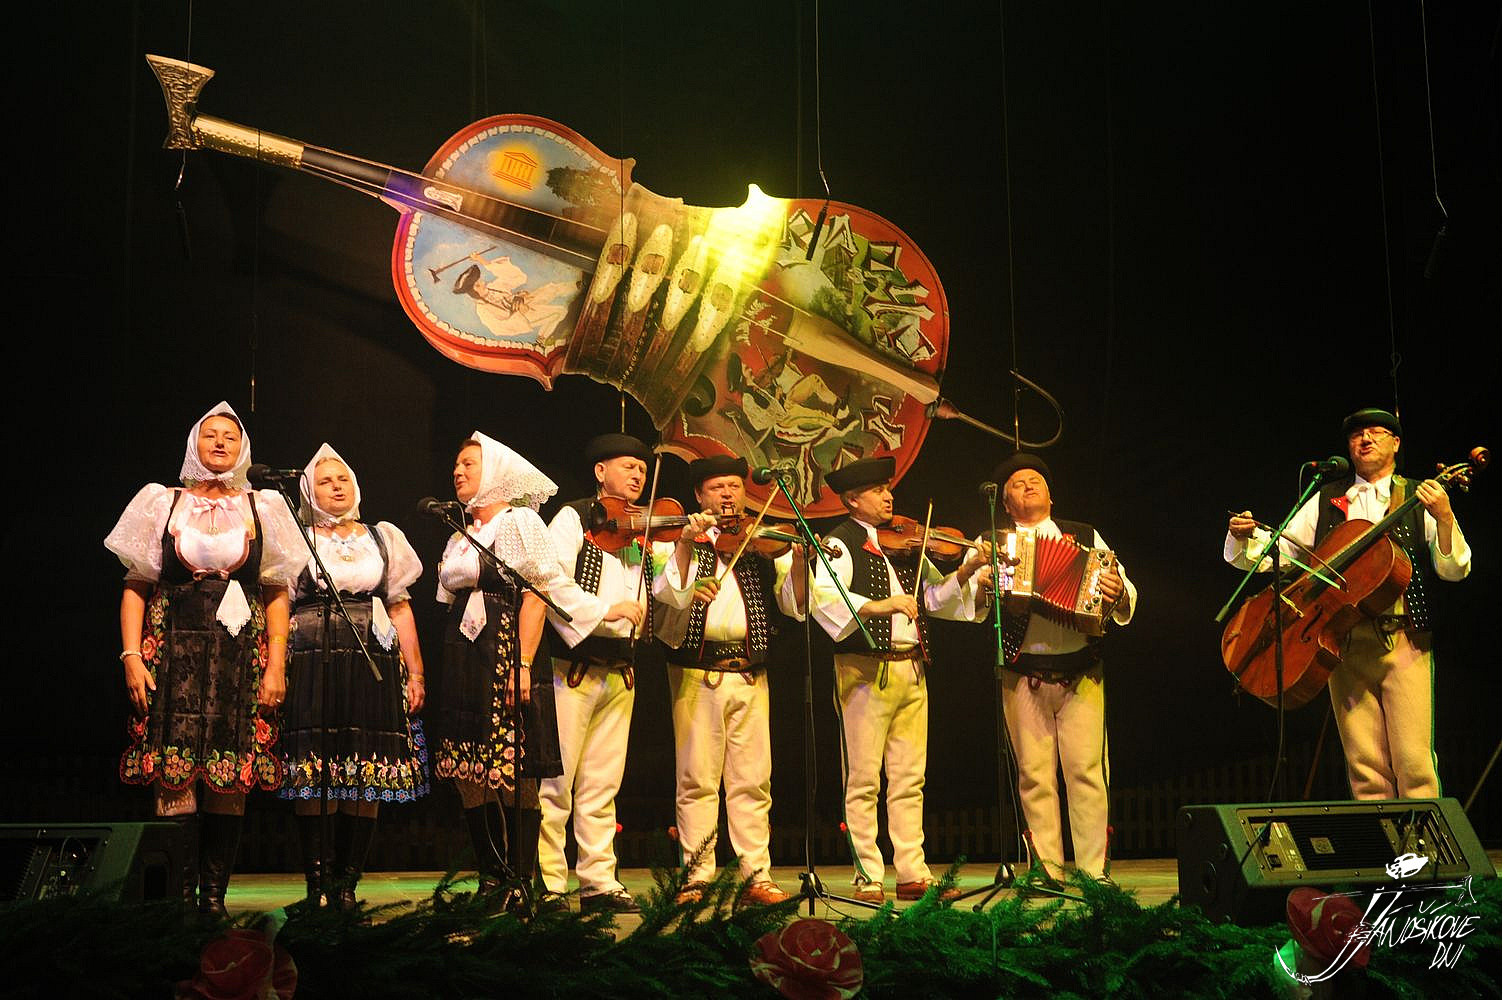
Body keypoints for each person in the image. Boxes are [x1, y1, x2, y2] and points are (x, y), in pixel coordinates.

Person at [105, 402, 307, 916]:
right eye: (210, 434)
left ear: (243, 449)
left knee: (229, 772)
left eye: (230, 437)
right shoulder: (163, 501)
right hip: (173, 650)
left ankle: (213, 899)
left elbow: (276, 591)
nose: (220, 442)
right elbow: (136, 583)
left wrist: (276, 665)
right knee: (174, 771)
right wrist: (131, 655)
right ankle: (179, 899)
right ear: (194, 444)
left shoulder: (263, 507)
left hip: (239, 656)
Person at [1225, 408, 1470, 799]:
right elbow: (1281, 553)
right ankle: (1383, 841)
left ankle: (1422, 841)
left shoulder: (1417, 494)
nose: (1365, 439)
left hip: (1403, 639)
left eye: (1375, 432)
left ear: (1396, 443)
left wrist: (1444, 516)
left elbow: (1454, 569)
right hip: (1342, 641)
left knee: (1414, 764)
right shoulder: (1326, 499)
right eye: (1357, 434)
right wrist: (1244, 537)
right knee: (1364, 767)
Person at [429, 431, 634, 897]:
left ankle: (522, 879)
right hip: (465, 652)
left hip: (505, 647)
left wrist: (521, 664)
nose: (458, 471)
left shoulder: (518, 521)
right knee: (469, 767)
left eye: (469, 464)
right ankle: (491, 875)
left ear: (496, 472)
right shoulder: (462, 534)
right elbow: (448, 599)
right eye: (456, 465)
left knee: (511, 765)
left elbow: (536, 595)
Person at [810, 455, 992, 903]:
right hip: (864, 668)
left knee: (910, 778)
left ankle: (912, 871)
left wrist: (965, 570)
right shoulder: (839, 542)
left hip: (911, 666)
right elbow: (823, 598)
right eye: (877, 491)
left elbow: (934, 599)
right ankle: (868, 874)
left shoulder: (906, 545)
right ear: (853, 500)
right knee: (863, 778)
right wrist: (880, 605)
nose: (888, 496)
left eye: (888, 488)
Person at [278, 444, 429, 910]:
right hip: (313, 654)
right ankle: (317, 887)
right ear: (308, 491)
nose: (336, 486)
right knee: (315, 765)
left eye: (342, 478)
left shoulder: (382, 537)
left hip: (373, 657)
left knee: (366, 767)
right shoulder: (295, 537)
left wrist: (416, 672)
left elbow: (400, 606)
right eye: (324, 481)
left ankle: (346, 887)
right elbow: (279, 601)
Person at [652, 455, 806, 905]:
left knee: (753, 781)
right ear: (699, 495)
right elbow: (668, 594)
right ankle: (697, 877)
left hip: (751, 673)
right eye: (717, 487)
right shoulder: (679, 539)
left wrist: (799, 560)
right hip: (697, 673)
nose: (727, 494)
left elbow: (795, 605)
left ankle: (757, 876)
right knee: (697, 780)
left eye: (735, 486)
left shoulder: (759, 543)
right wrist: (687, 543)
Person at [985, 452, 1134, 884]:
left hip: (1082, 671)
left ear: (1051, 496)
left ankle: (1093, 872)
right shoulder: (994, 541)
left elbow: (1123, 589)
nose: (1028, 486)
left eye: (1036, 481)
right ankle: (1047, 870)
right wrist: (981, 580)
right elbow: (969, 604)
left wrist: (1117, 591)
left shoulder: (1084, 535)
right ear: (1006, 504)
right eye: (1017, 484)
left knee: (1087, 773)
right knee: (1035, 777)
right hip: (1023, 673)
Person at [538, 433, 653, 913]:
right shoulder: (574, 517)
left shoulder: (643, 530)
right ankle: (548, 883)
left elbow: (666, 594)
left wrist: (687, 546)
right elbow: (550, 582)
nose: (638, 475)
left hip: (622, 670)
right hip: (575, 666)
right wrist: (607, 610)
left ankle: (599, 881)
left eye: (642, 470)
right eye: (628, 466)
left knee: (603, 784)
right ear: (600, 471)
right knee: (556, 782)